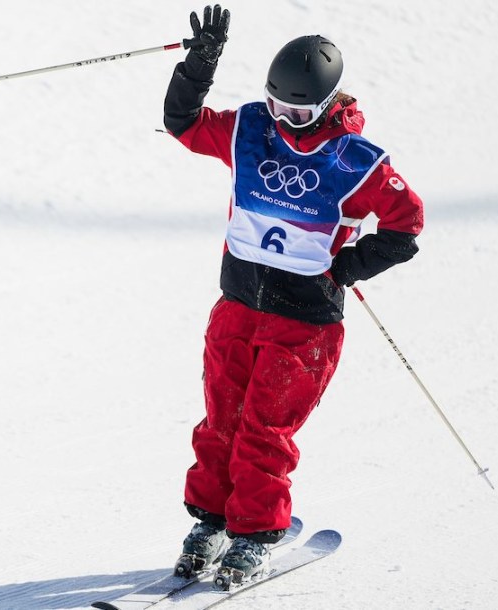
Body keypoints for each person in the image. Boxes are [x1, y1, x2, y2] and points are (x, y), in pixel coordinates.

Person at [165, 5, 425, 583]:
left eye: (298, 111)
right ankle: (209, 521)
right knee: (220, 421)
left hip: (303, 324)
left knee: (262, 431)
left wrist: (346, 268)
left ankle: (255, 532)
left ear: (330, 104)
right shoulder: (250, 128)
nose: (284, 119)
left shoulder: (356, 162)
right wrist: (199, 64)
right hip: (236, 308)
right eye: (277, 104)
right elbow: (183, 121)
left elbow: (407, 226)